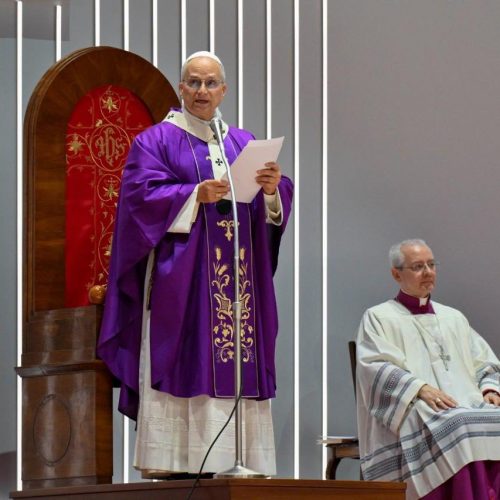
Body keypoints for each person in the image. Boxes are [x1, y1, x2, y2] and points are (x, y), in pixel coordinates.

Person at [97, 51, 293, 477]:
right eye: (194, 82)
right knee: (190, 356)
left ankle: (238, 459)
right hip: (184, 282)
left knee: (237, 359)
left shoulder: (242, 142)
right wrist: (192, 195)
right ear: (181, 88)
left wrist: (273, 191)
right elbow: (138, 200)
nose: (202, 91)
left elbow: (268, 210)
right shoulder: (155, 141)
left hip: (240, 285)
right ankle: (179, 461)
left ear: (224, 90)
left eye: (211, 83)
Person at [356, 239, 500, 499]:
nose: (428, 272)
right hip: (417, 406)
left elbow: (484, 361)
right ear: (396, 274)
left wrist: (490, 389)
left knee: (478, 419)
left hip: (465, 405)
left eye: (432, 265)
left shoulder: (453, 317)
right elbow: (375, 367)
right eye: (418, 267)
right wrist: (419, 388)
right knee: (459, 425)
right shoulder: (379, 317)